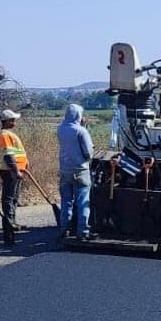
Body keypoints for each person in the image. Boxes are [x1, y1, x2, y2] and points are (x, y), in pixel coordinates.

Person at [57, 103, 94, 240]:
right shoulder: (81, 131)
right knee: (83, 201)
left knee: (66, 201)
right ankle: (82, 231)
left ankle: (64, 229)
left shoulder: (60, 129)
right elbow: (89, 153)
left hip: (65, 170)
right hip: (81, 170)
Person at [0, 109, 27, 247]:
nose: (14, 122)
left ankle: (12, 223)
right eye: (12, 120)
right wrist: (16, 171)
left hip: (15, 171)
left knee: (13, 199)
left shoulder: (10, 134)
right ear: (7, 121)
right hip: (10, 172)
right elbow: (9, 156)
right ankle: (8, 229)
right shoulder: (4, 135)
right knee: (8, 200)